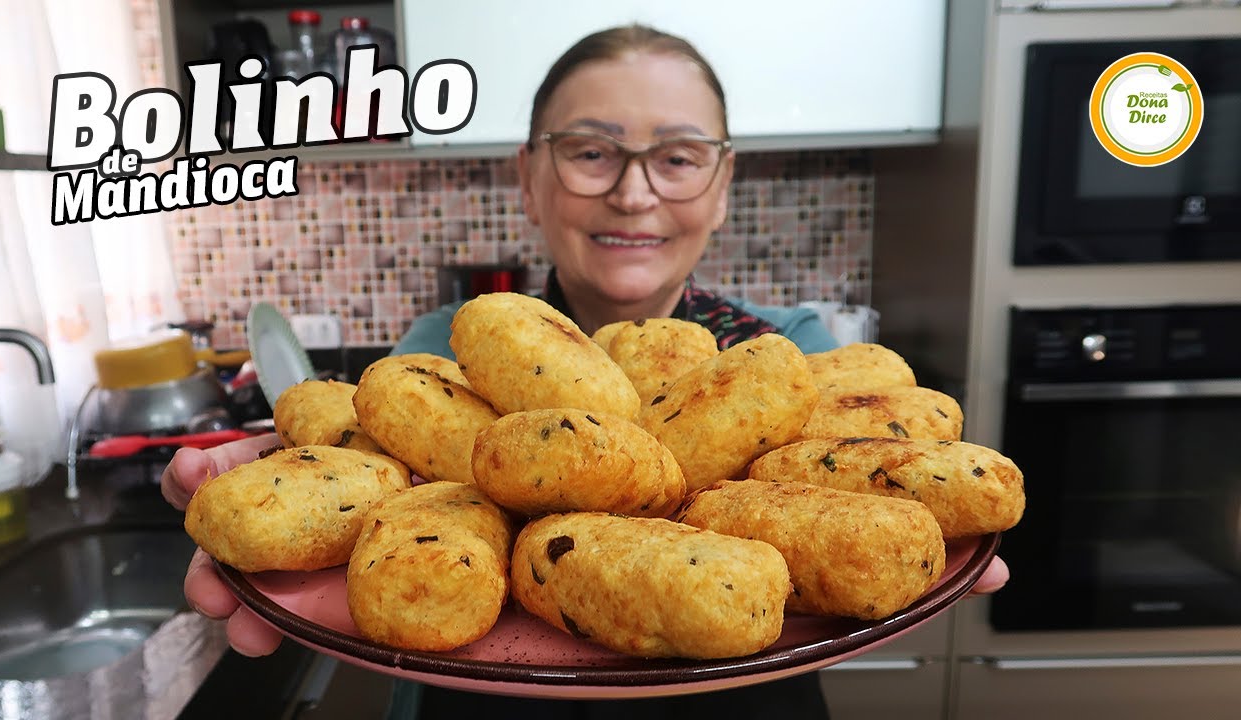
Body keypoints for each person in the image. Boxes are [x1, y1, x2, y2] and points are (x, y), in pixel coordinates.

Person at [162, 23, 1010, 719]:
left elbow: (869, 481)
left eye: (678, 157)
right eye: (590, 153)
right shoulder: (435, 354)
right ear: (527, 178)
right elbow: (366, 458)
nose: (635, 193)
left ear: (722, 187)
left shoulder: (797, 355)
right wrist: (277, 482)